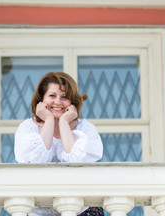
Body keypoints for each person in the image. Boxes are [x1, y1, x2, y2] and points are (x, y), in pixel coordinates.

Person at [15, 72, 104, 216]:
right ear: (41, 99)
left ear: (72, 101)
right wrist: (49, 121)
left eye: (64, 97)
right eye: (52, 96)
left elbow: (77, 163)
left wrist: (63, 122)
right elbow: (34, 165)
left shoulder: (86, 129)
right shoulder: (28, 128)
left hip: (80, 209)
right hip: (38, 211)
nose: (58, 101)